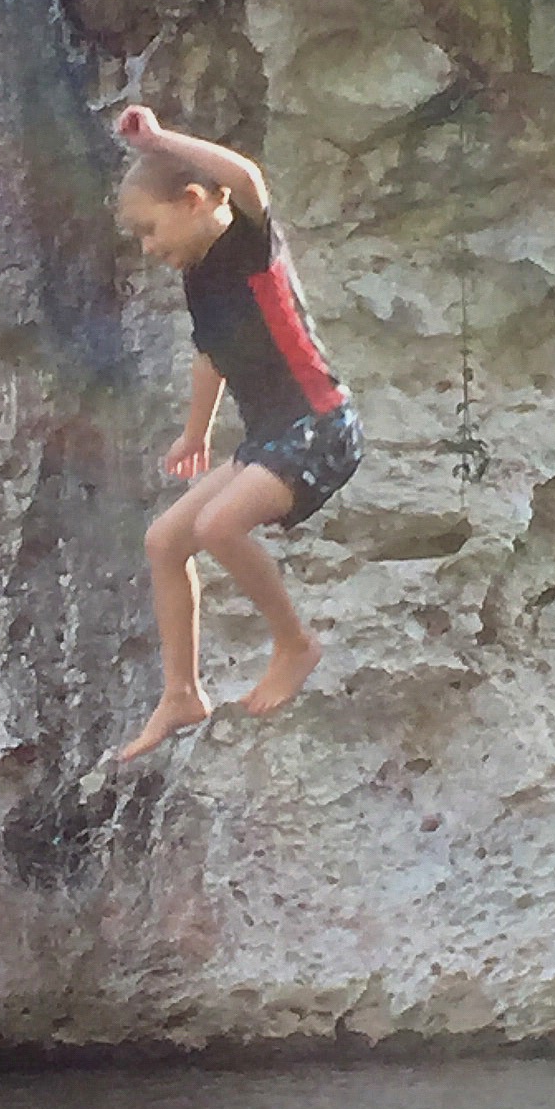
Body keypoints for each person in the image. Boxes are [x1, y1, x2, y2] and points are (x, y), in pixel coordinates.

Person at [110, 103, 363, 761]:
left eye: (148, 229)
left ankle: (295, 644)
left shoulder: (249, 243)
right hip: (271, 436)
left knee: (218, 525)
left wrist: (160, 140)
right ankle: (181, 693)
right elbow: (211, 355)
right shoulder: (199, 278)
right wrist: (196, 434)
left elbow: (246, 177)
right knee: (165, 540)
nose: (147, 248)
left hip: (320, 425)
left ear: (194, 201)